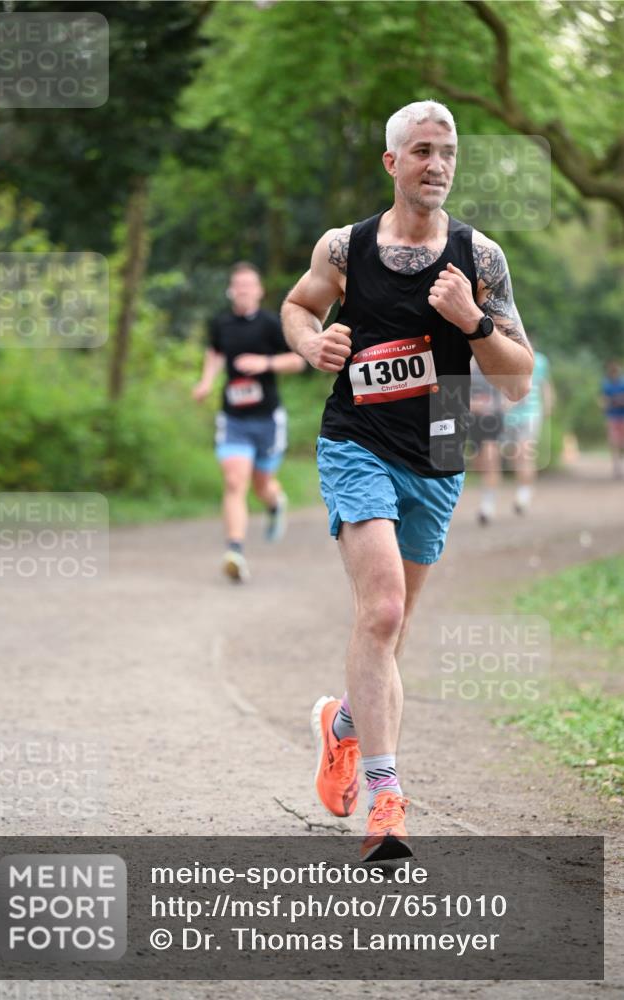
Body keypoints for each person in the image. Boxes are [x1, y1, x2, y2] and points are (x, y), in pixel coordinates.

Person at [281, 100, 533, 861]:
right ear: (392, 163)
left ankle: (345, 726)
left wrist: (472, 322)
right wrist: (309, 344)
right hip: (355, 439)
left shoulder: (478, 258)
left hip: (440, 447)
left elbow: (517, 380)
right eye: (421, 150)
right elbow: (297, 305)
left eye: (447, 150)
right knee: (382, 609)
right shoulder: (344, 246)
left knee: (391, 630)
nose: (437, 163)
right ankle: (387, 799)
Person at [193, 262, 305, 582]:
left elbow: (298, 361)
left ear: (259, 290)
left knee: (261, 485)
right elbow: (214, 354)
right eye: (237, 285)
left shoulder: (272, 324)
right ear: (231, 290)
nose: (242, 290)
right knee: (234, 481)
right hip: (234, 418)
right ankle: (235, 551)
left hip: (267, 418)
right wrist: (206, 382)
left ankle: (274, 502)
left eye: (248, 285)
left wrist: (265, 362)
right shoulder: (221, 324)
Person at [502, 346, 553, 513]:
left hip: (531, 413)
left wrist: (548, 406)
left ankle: (523, 494)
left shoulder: (540, 360)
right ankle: (525, 486)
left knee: (525, 452)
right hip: (509, 415)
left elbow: (545, 384)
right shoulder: (504, 355)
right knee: (515, 455)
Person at [467, 356, 506, 525]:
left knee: (491, 459)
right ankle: (488, 494)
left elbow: (508, 391)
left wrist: (499, 405)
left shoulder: (495, 356)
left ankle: (487, 505)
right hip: (473, 420)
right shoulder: (466, 360)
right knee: (479, 464)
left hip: (493, 419)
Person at [600, 359, 624, 480]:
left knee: (618, 442)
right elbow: (604, 401)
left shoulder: (622, 383)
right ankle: (617, 466)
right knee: (615, 442)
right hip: (613, 417)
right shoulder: (606, 384)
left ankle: (618, 465)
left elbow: (607, 401)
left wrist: (614, 400)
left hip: (620, 416)